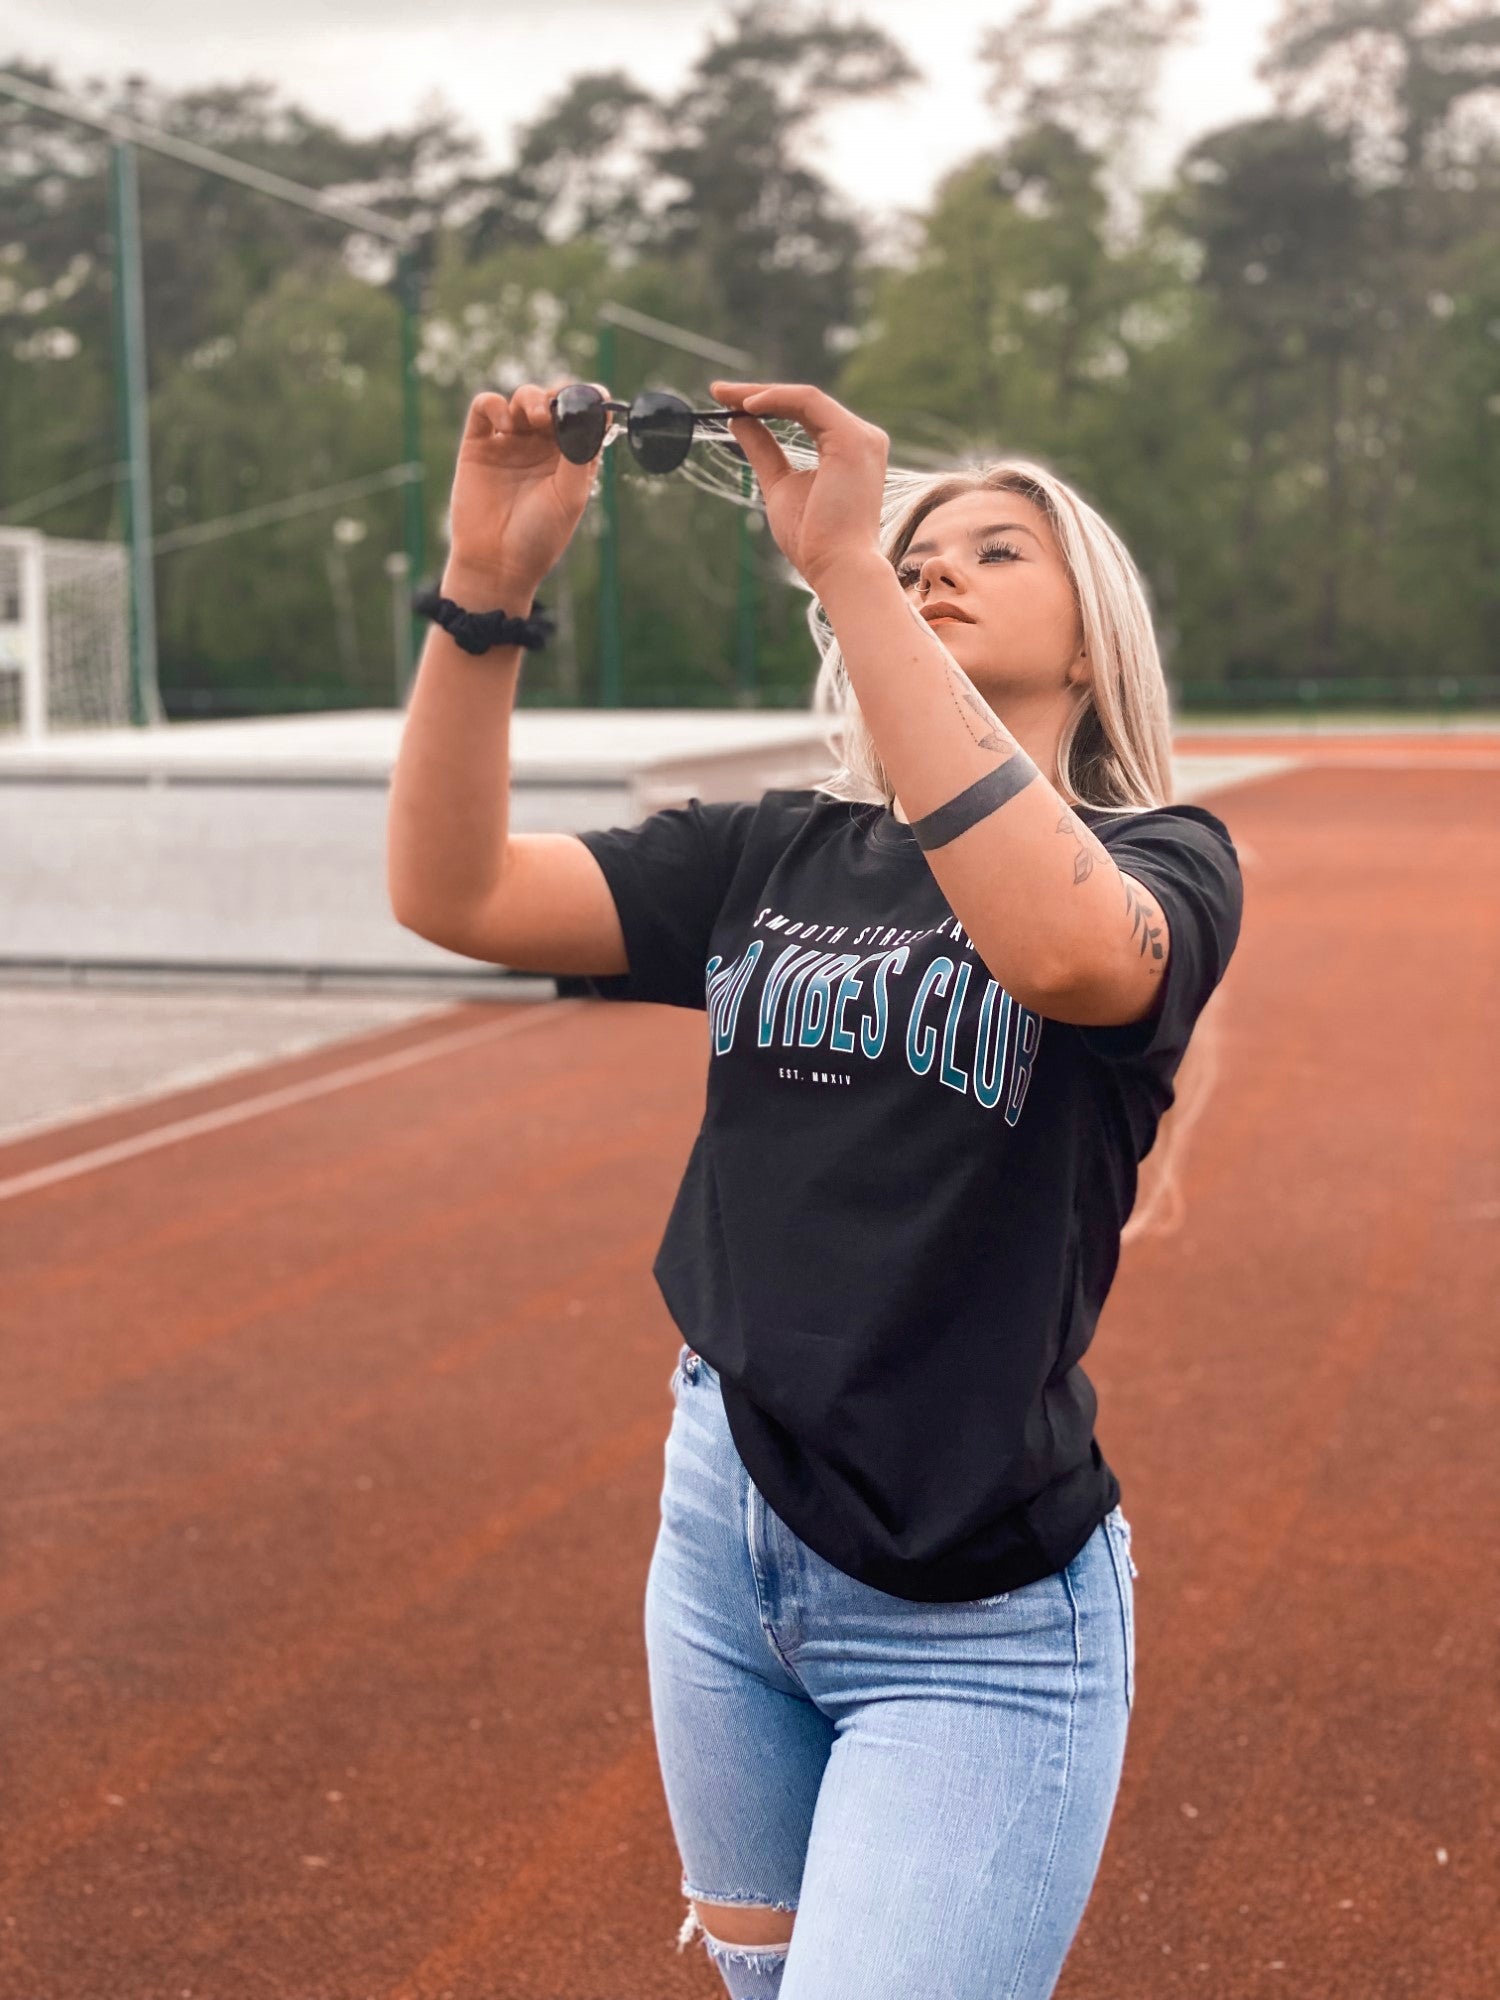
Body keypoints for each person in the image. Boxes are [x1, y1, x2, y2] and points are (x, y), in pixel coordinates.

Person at [387, 377, 1244, 2000]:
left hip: (975, 1609)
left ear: (1091, 643)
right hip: (723, 1542)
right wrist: (485, 588)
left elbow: (1064, 952)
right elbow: (458, 892)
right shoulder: (774, 853)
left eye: (996, 549)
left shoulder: (1167, 862)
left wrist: (852, 570)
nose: (937, 566)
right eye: (916, 552)